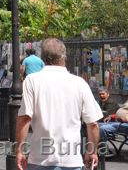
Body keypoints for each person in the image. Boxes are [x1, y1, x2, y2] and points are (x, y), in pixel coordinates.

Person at [16, 38, 103, 170]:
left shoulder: (32, 81)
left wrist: (20, 150)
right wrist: (92, 151)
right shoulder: (79, 83)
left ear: (43, 58)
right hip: (71, 160)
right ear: (64, 57)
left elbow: (24, 119)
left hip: (40, 160)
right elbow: (93, 124)